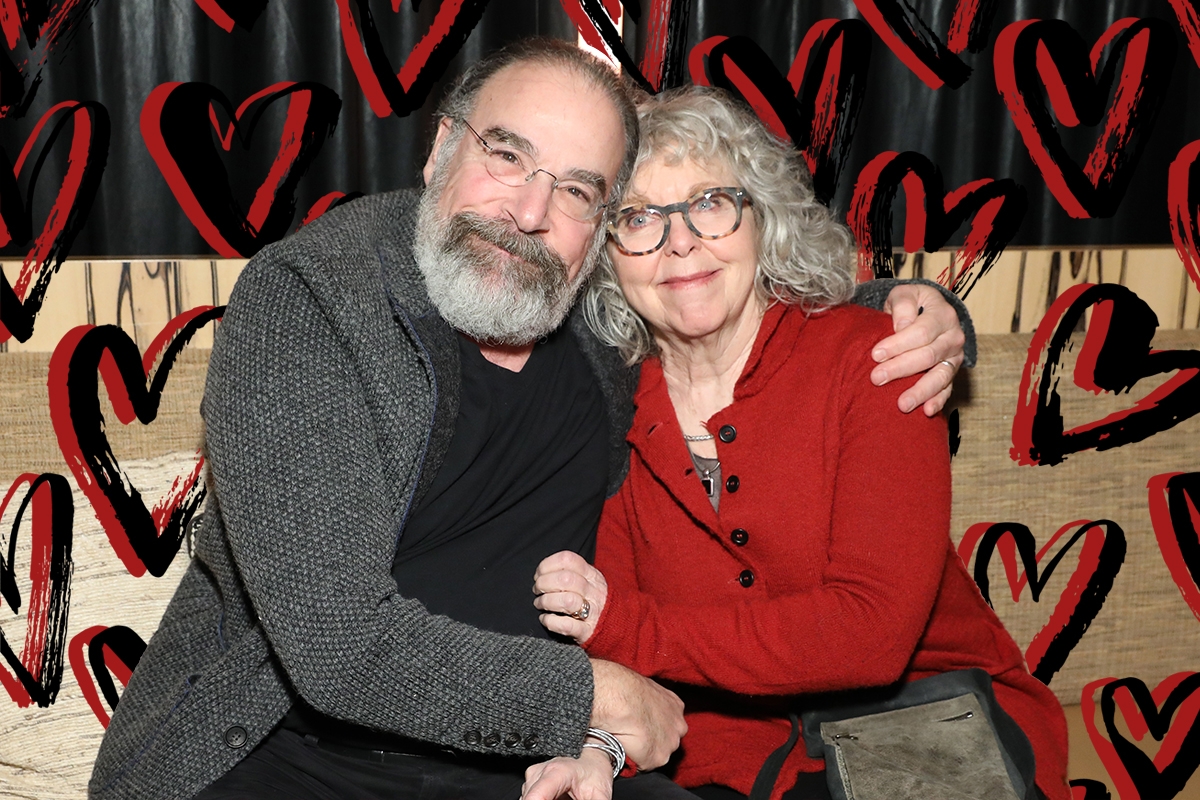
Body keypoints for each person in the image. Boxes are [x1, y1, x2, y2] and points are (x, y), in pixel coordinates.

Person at [89, 40, 970, 800]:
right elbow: (339, 645)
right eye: (507, 156)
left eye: (580, 191)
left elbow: (722, 295)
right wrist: (591, 699)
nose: (531, 211)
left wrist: (914, 307)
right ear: (439, 149)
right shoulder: (315, 303)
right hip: (293, 756)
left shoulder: (582, 317)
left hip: (518, 762)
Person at [527, 86, 1068, 800]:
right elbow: (623, 657)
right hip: (723, 749)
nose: (681, 241)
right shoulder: (608, 406)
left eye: (710, 203)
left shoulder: (873, 360)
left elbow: (870, 636)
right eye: (638, 219)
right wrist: (598, 747)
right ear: (606, 257)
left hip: (933, 723)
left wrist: (630, 626)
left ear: (763, 219)